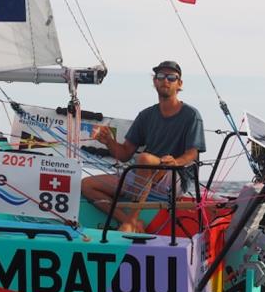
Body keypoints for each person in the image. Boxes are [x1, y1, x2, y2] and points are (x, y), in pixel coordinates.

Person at [81, 60, 206, 233]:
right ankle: (130, 221)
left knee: (145, 158)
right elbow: (124, 154)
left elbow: (192, 154)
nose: (165, 80)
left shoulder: (191, 115)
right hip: (144, 174)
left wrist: (175, 162)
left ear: (179, 84)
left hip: (174, 177)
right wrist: (108, 141)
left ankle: (130, 221)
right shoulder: (146, 115)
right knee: (87, 185)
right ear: (155, 81)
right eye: (161, 76)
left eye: (171, 77)